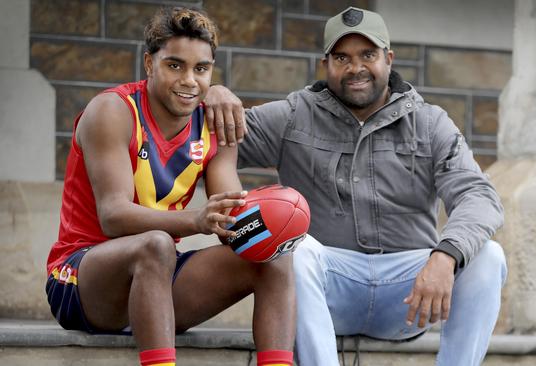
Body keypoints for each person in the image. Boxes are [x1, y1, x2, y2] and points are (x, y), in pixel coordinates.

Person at [205, 6, 508, 366]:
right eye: (342, 57)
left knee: (488, 257)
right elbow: (205, 136)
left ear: (389, 59)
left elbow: (479, 195)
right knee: (294, 251)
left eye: (368, 54)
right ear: (325, 64)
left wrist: (445, 256)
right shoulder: (294, 115)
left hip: (408, 296)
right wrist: (212, 92)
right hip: (326, 289)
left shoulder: (430, 123)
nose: (355, 68)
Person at [45, 7, 295, 366]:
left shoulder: (215, 125)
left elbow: (230, 222)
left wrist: (273, 222)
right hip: (81, 279)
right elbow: (112, 216)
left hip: (157, 279)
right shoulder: (112, 111)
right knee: (156, 245)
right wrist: (197, 220)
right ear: (149, 64)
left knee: (275, 259)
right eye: (174, 65)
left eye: (201, 69)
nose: (189, 80)